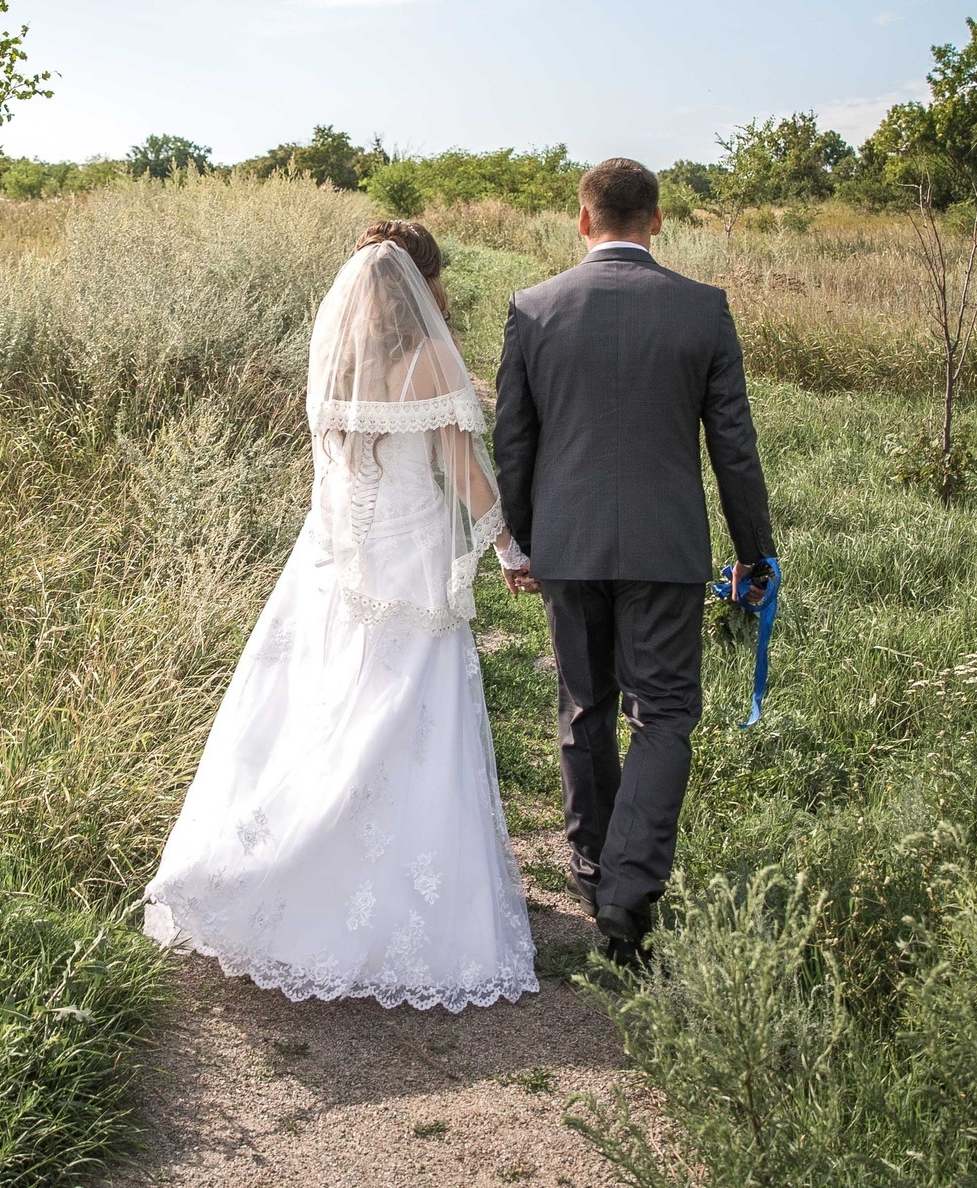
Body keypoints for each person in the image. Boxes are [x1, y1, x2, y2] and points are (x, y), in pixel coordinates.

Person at [141, 220, 538, 1012]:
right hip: (408, 569)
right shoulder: (429, 358)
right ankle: (380, 896)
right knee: (401, 727)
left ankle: (273, 869)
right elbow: (463, 466)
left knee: (331, 718)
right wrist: (509, 552)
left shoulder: (339, 355)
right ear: (421, 283)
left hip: (336, 563)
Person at [492, 157, 776, 965]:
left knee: (585, 707)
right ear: (657, 220)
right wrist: (756, 553)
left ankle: (593, 874)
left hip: (570, 546)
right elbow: (735, 449)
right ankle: (628, 889)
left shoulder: (532, 309)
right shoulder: (702, 310)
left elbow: (514, 442)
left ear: (583, 221)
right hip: (666, 547)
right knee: (664, 715)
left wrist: (520, 540)